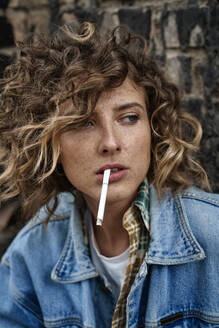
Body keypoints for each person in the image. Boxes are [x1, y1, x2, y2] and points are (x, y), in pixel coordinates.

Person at [0, 21, 218, 328]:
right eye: (83, 123)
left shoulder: (213, 235)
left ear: (152, 129)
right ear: (48, 143)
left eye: (129, 118)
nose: (111, 143)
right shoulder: (33, 255)